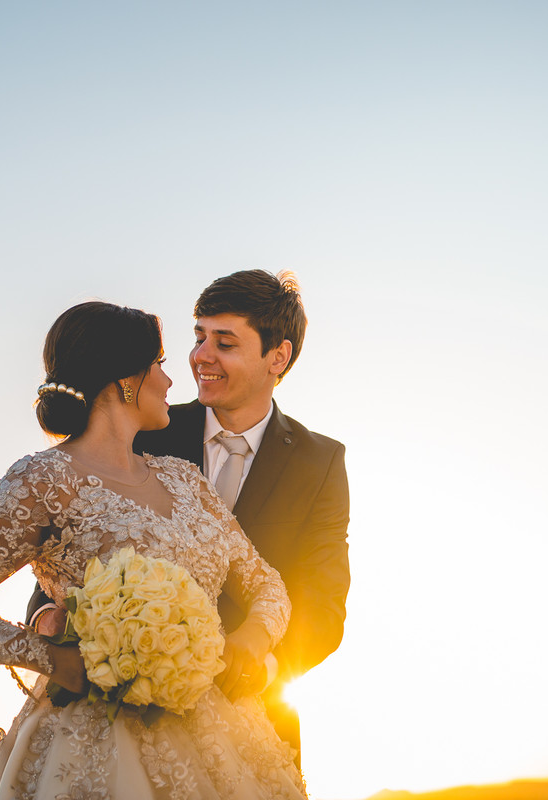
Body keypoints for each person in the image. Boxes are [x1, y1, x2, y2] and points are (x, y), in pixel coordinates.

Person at [0, 301, 307, 799]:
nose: (170, 381)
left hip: (221, 735)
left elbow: (268, 583)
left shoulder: (185, 479)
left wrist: (250, 640)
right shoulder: (42, 481)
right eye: (160, 365)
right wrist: (49, 657)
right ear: (127, 379)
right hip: (90, 744)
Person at [29, 270, 351, 762]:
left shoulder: (320, 463)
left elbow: (323, 603)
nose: (201, 356)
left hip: (253, 728)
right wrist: (49, 620)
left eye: (224, 342)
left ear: (277, 356)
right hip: (115, 717)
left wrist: (262, 668)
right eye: (199, 336)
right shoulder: (142, 427)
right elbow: (66, 549)